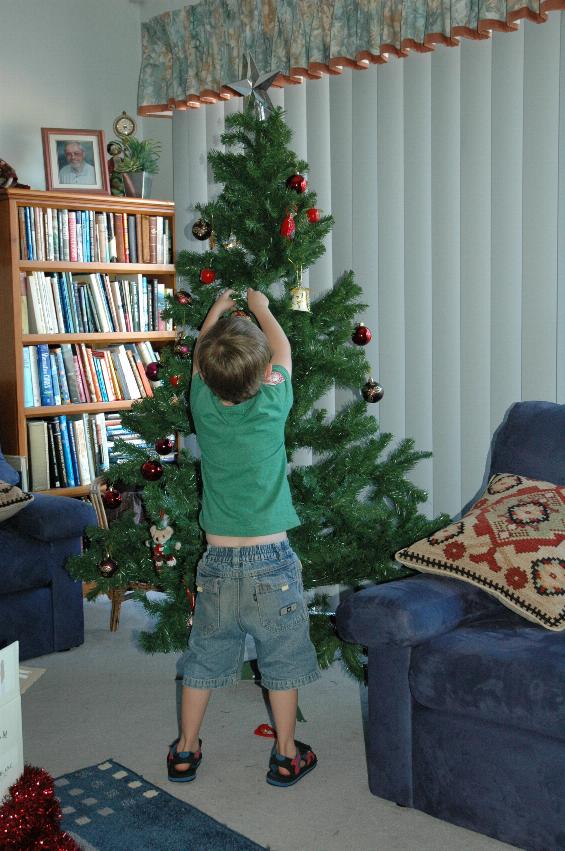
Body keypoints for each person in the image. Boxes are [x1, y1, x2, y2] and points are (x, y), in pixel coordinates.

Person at [167, 287, 320, 788]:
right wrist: (262, 307)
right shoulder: (273, 402)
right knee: (282, 657)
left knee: (205, 655)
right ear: (261, 375)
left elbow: (195, 366)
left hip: (216, 563)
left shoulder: (204, 409)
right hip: (271, 560)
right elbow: (285, 351)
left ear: (209, 377)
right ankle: (284, 752)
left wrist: (214, 311)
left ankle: (186, 750)